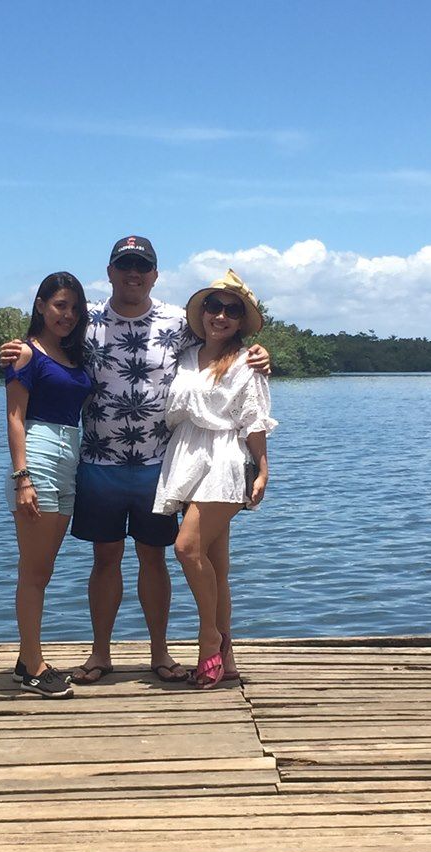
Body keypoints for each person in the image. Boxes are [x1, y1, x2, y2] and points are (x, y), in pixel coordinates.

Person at [0, 237, 269, 684]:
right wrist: (15, 350)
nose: (133, 274)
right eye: (124, 265)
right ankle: (100, 653)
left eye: (141, 266)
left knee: (154, 558)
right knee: (104, 559)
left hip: (159, 465)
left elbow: (225, 346)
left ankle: (159, 654)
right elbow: (46, 344)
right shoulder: (87, 323)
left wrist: (260, 354)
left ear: (155, 275)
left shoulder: (179, 322)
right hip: (97, 462)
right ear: (109, 271)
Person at [153, 270, 277, 689]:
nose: (220, 316)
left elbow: (254, 421)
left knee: (186, 549)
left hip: (224, 459)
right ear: (202, 312)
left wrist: (263, 470)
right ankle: (229, 657)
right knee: (216, 567)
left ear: (241, 321)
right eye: (213, 307)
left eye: (231, 311)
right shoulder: (185, 355)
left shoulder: (248, 362)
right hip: (186, 458)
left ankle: (209, 638)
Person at [5, 272, 92, 698]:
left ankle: (27, 660)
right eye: (60, 305)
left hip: (69, 456)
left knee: (44, 568)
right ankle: (35, 666)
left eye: (75, 308)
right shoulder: (26, 353)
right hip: (38, 452)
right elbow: (15, 417)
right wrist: (22, 477)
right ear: (40, 305)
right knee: (34, 569)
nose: (68, 315)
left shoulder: (73, 354)